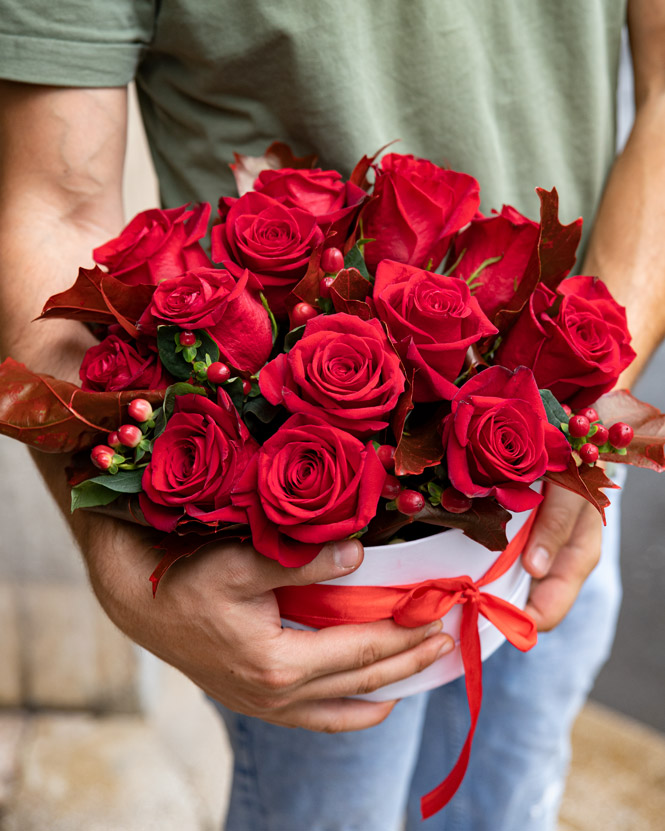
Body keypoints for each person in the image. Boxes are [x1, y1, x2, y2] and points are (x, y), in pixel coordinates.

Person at [1, 1, 664, 828]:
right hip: (298, 553)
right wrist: (118, 549)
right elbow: (55, 207)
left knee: (511, 792)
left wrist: (582, 398)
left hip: (562, 445)